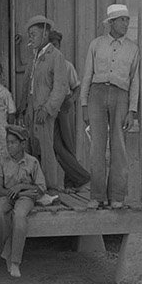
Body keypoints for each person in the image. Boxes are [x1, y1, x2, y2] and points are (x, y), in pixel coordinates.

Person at [80, 3, 140, 209]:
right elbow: (87, 75)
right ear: (111, 23)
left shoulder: (133, 48)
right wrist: (84, 103)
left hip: (121, 96)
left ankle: (116, 196)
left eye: (127, 20)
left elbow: (135, 81)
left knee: (118, 147)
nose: (126, 24)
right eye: (122, 20)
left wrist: (132, 110)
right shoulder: (96, 44)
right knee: (97, 146)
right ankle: (97, 196)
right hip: (97, 94)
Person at [16, 14, 69, 191]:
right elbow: (27, 85)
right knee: (30, 147)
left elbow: (60, 88)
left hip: (43, 110)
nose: (30, 38)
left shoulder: (56, 56)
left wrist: (46, 109)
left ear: (45, 34)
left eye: (34, 34)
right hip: (31, 108)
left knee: (46, 150)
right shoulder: (34, 57)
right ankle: (34, 187)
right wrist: (23, 108)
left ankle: (51, 188)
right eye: (29, 34)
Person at [0, 125, 47, 279]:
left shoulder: (32, 162)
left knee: (19, 216)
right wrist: (14, 192)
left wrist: (21, 187)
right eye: (8, 142)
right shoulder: (2, 161)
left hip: (26, 198)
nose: (9, 146)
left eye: (13, 143)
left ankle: (14, 260)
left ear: (23, 144)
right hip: (7, 196)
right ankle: (6, 251)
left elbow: (41, 188)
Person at [48, 30, 91, 192]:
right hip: (50, 106)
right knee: (56, 145)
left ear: (59, 46)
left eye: (56, 45)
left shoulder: (66, 65)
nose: (53, 48)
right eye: (50, 45)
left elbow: (77, 86)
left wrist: (71, 101)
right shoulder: (43, 65)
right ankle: (83, 177)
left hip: (65, 106)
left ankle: (70, 184)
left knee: (68, 144)